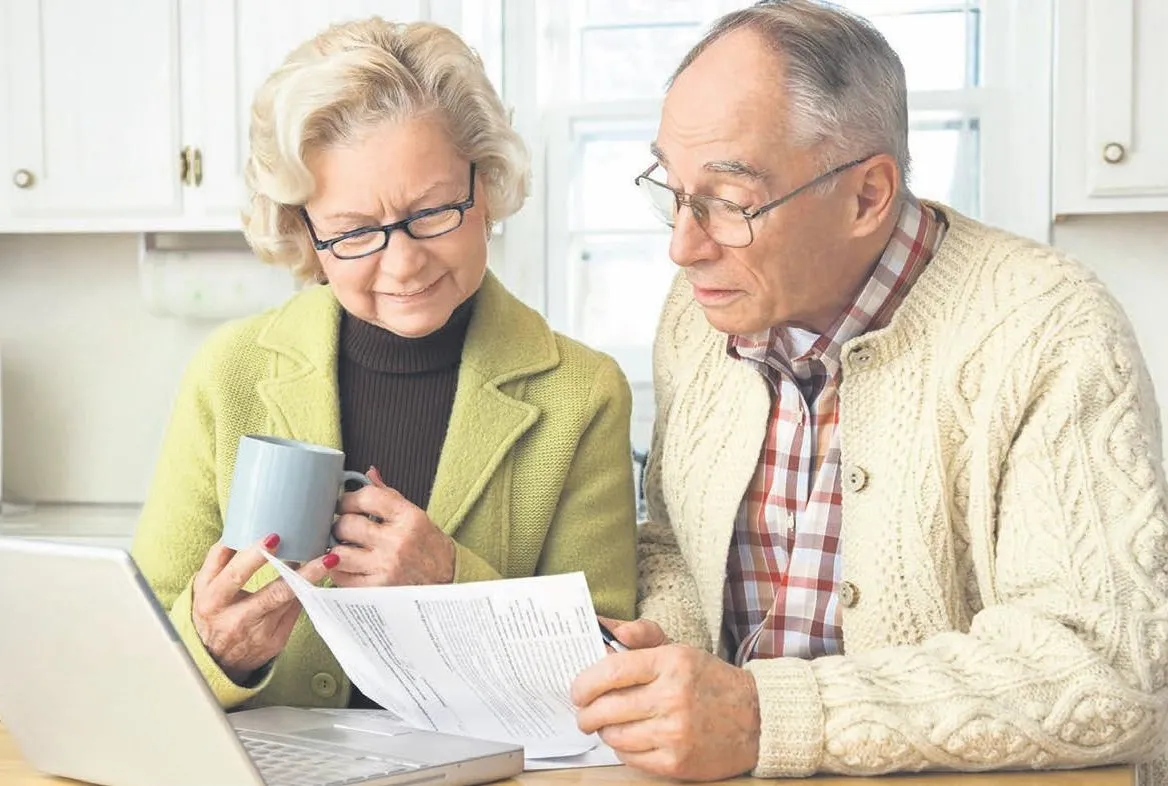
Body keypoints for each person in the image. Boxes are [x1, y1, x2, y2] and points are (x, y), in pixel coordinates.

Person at [570, 1, 1168, 781]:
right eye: (674, 191)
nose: (684, 246)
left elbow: (1107, 669)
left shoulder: (1050, 329)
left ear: (867, 195)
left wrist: (761, 715)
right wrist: (672, 654)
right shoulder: (697, 316)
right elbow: (674, 542)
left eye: (729, 202)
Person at [132, 17, 637, 711]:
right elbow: (138, 652)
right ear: (304, 233)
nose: (403, 264)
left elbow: (610, 666)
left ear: (485, 184)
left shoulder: (583, 394)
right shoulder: (231, 373)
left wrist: (450, 580)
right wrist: (217, 649)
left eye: (432, 213)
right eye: (354, 233)